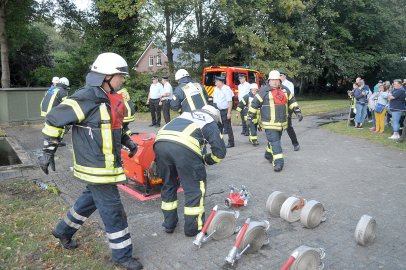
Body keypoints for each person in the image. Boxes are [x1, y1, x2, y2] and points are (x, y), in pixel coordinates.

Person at [38, 52, 143, 270]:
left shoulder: (111, 98)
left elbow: (113, 127)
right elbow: (54, 118)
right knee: (113, 210)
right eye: (120, 76)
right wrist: (48, 151)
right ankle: (122, 256)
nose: (123, 79)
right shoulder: (86, 97)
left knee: (90, 200)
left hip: (106, 166)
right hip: (96, 167)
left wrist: (128, 141)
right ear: (106, 76)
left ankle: (63, 230)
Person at [154, 105, 226, 237]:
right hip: (184, 147)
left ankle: (169, 224)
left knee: (168, 185)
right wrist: (206, 160)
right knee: (194, 188)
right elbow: (220, 152)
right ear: (215, 117)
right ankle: (193, 228)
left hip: (160, 143)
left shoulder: (186, 115)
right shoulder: (209, 121)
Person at [248, 70, 303, 172]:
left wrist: (298, 112)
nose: (274, 82)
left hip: (281, 123)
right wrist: (249, 118)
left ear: (279, 80)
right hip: (269, 124)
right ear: (269, 81)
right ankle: (278, 162)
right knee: (276, 142)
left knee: (274, 141)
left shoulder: (285, 90)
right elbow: (254, 104)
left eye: (276, 80)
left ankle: (268, 154)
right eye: (272, 80)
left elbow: (292, 101)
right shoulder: (263, 91)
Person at [280, 71, 300, 151]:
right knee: (278, 127)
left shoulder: (289, 84)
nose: (279, 77)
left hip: (288, 107)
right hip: (279, 108)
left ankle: (295, 144)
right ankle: (276, 145)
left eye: (281, 75)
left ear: (284, 76)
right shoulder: (276, 84)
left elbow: (291, 97)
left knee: (288, 126)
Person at [213, 76, 235, 148]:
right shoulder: (216, 89)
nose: (215, 83)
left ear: (221, 82)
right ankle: (219, 142)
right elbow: (214, 101)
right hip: (218, 111)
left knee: (227, 127)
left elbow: (230, 101)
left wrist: (229, 112)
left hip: (225, 111)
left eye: (216, 82)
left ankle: (231, 142)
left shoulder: (226, 89)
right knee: (219, 127)